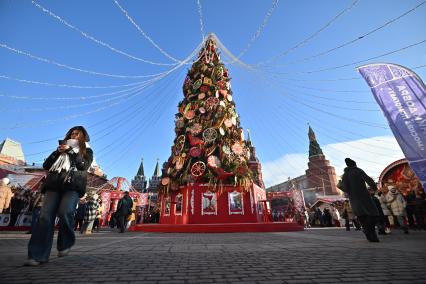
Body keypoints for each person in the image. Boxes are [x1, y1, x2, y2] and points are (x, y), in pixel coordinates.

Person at [25, 126, 93, 266]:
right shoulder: (60, 149)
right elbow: (46, 165)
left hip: (73, 186)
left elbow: (83, 166)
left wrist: (71, 152)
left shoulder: (87, 150)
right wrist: (57, 152)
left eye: (77, 134)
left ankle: (65, 243)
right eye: (72, 133)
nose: (73, 136)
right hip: (54, 185)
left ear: (83, 137)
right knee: (45, 217)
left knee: (66, 211)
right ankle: (37, 255)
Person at [341, 158, 380, 242]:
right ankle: (371, 233)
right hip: (364, 196)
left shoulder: (345, 175)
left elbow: (344, 188)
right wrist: (374, 188)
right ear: (354, 164)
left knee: (361, 217)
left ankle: (368, 234)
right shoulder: (358, 170)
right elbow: (368, 179)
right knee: (374, 214)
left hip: (354, 199)